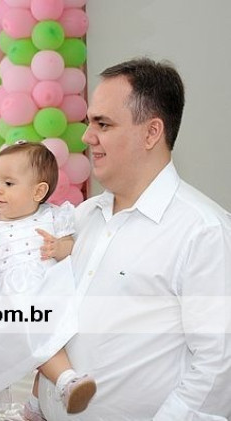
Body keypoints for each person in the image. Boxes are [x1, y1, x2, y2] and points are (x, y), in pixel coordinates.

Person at [38, 58, 231, 420]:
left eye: (103, 124)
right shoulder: (82, 218)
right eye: (89, 122)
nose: (87, 137)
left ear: (151, 132)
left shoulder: (203, 231)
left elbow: (219, 367)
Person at [0, 142, 97, 420]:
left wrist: (59, 247)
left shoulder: (54, 217)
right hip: (7, 301)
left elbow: (72, 247)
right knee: (22, 340)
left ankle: (55, 389)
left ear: (38, 191)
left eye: (8, 183)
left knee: (46, 338)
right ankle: (42, 391)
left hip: (45, 290)